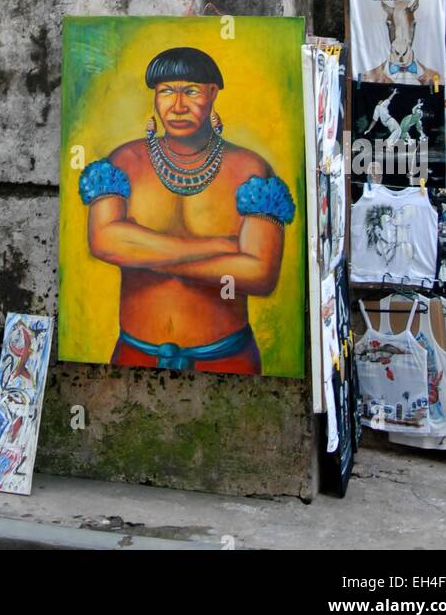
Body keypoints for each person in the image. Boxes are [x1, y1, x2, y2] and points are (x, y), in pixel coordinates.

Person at [79, 46, 295, 374]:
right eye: (166, 92)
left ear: (212, 93)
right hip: (134, 357)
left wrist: (145, 254)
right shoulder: (125, 162)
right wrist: (217, 247)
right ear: (154, 96)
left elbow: (259, 274)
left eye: (190, 91)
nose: (178, 106)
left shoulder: (248, 169)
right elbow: (104, 241)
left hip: (228, 361)